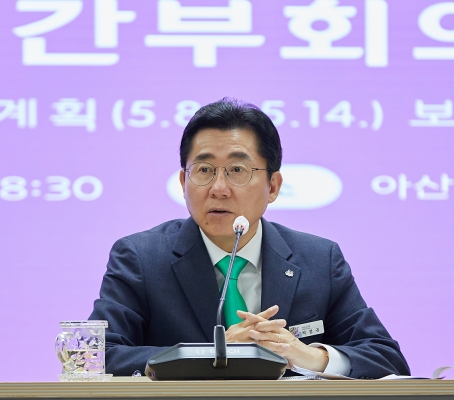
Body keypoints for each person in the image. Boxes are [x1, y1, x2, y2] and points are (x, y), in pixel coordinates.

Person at [89, 98, 410, 378]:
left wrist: (309, 356)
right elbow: (97, 356)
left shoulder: (318, 259)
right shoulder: (141, 257)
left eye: (237, 171)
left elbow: (386, 358)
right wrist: (213, 354)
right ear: (183, 182)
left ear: (273, 186)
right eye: (204, 170)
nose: (218, 189)